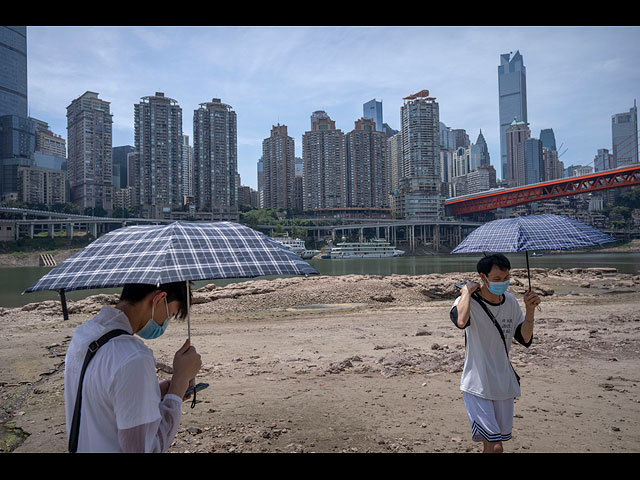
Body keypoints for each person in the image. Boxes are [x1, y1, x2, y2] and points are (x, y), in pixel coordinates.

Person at [64, 281, 202, 453]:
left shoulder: (84, 334)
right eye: (170, 315)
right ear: (159, 299)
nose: (165, 323)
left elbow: (101, 403)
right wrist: (179, 383)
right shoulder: (133, 357)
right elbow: (145, 448)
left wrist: (152, 394)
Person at [450, 254, 540, 453]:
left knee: (491, 445)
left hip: (503, 383)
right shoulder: (468, 301)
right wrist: (466, 292)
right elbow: (461, 322)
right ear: (483, 277)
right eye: (497, 279)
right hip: (477, 384)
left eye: (507, 278)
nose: (503, 283)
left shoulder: (510, 301)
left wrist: (530, 310)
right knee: (496, 446)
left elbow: (524, 339)